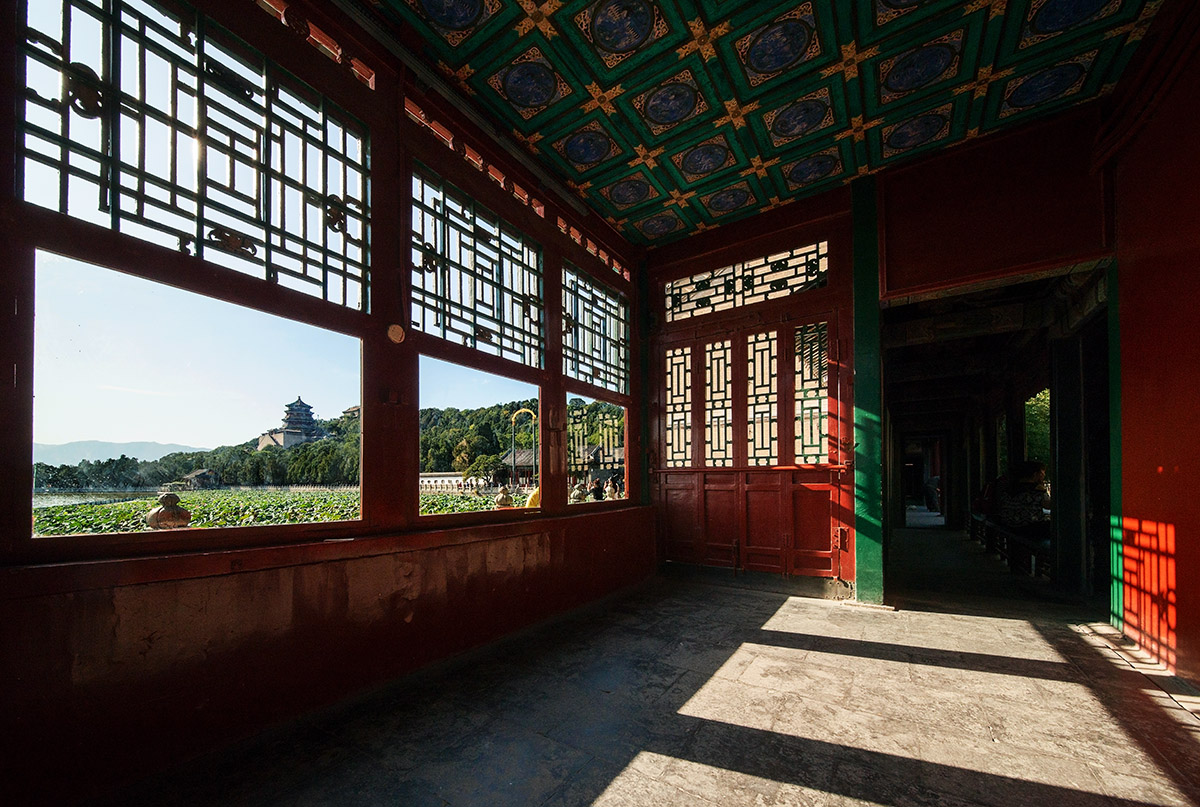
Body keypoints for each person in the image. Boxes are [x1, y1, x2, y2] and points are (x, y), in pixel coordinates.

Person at [997, 460, 1051, 574]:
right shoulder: (1036, 489)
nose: (1044, 475)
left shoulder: (1009, 488)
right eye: (1042, 473)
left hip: (1009, 524)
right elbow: (1049, 505)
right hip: (1027, 527)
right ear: (1035, 474)